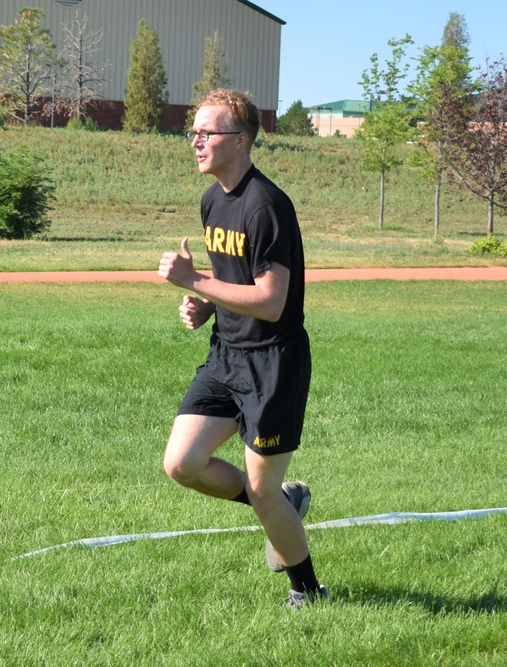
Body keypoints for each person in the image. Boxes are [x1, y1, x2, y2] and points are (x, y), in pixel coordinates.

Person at [157, 89, 326, 607]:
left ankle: (307, 590)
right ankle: (281, 504)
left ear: (241, 140)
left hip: (273, 363)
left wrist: (195, 281)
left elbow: (273, 302)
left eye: (207, 133)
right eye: (194, 132)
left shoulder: (266, 205)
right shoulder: (212, 200)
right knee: (182, 463)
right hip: (227, 355)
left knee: (259, 488)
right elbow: (240, 282)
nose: (196, 142)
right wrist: (207, 305)